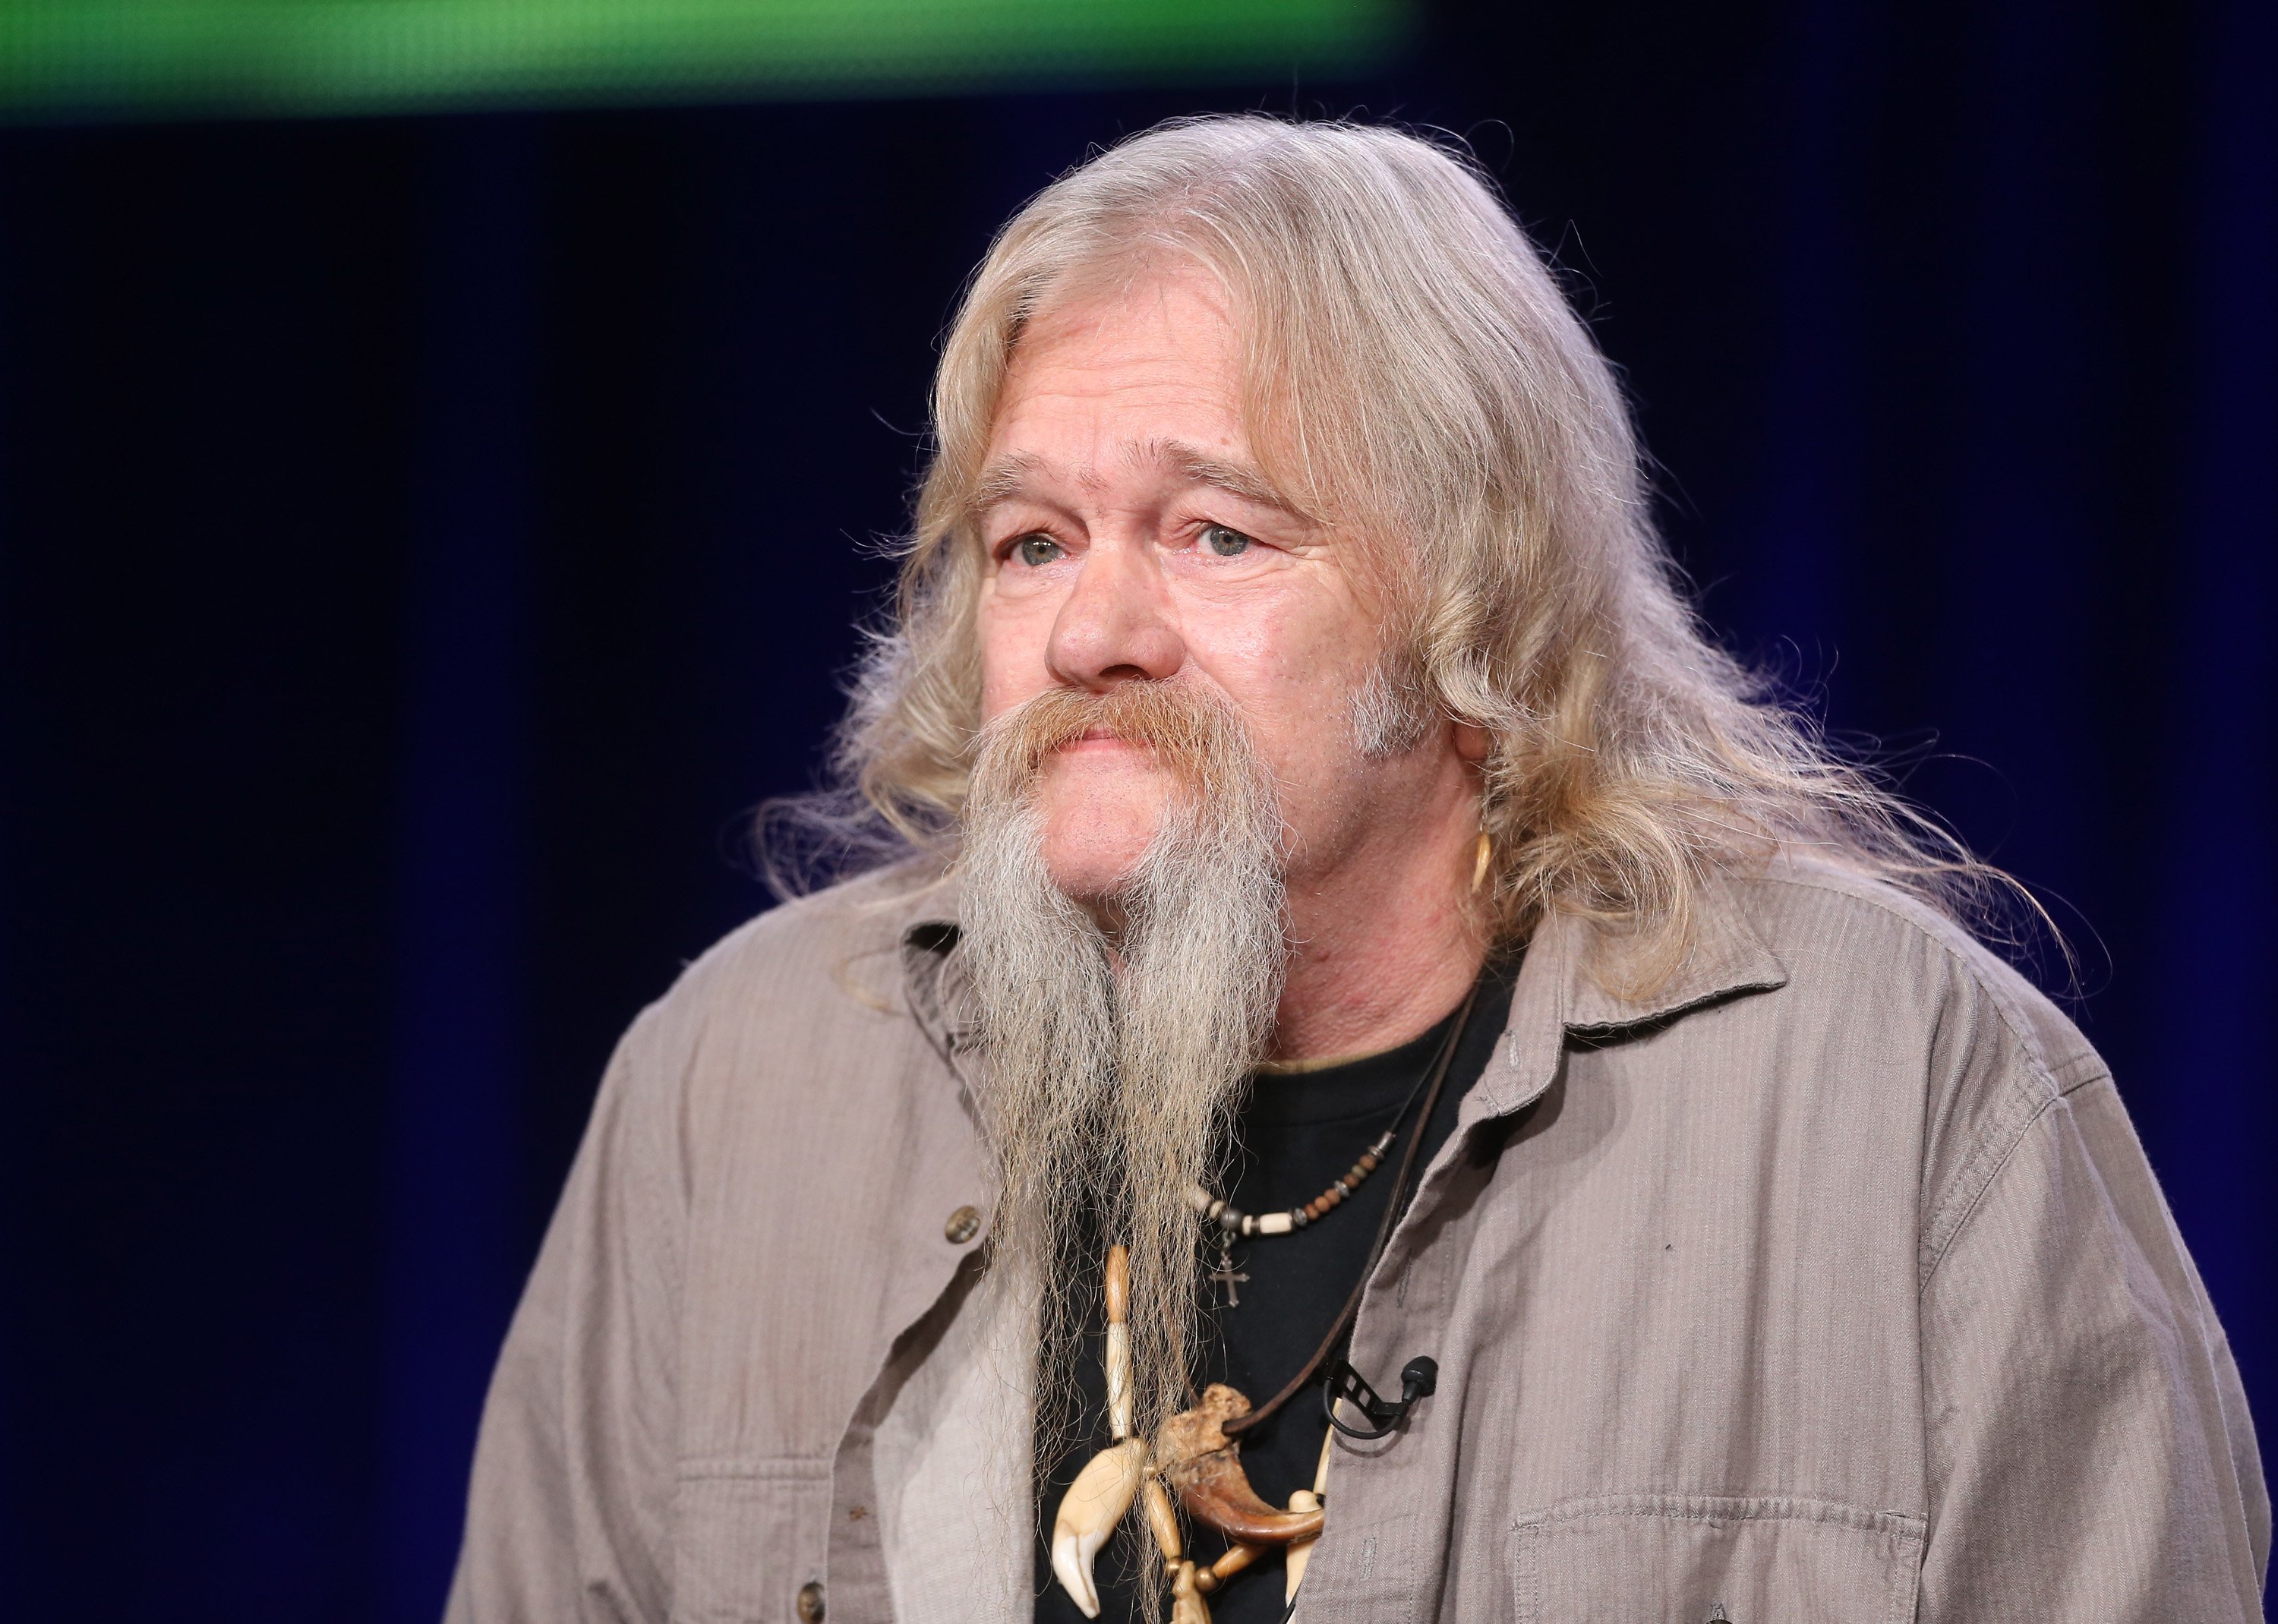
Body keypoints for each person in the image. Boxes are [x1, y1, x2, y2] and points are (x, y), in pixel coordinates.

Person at [444, 115, 2268, 1624]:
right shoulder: (734, 1087)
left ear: (1476, 607)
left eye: (1217, 531)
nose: (1091, 628)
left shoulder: (1909, 1097)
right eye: (1030, 540)